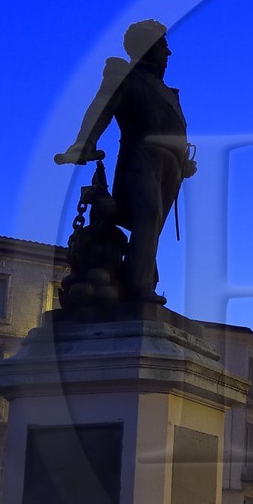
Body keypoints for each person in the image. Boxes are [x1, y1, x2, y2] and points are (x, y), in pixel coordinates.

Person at [56, 19, 197, 303]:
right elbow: (101, 108)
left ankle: (142, 280)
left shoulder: (168, 92)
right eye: (162, 45)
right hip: (141, 156)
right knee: (148, 215)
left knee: (152, 227)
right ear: (146, 47)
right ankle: (138, 286)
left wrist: (183, 162)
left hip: (171, 169)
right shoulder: (124, 74)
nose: (167, 53)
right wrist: (85, 143)